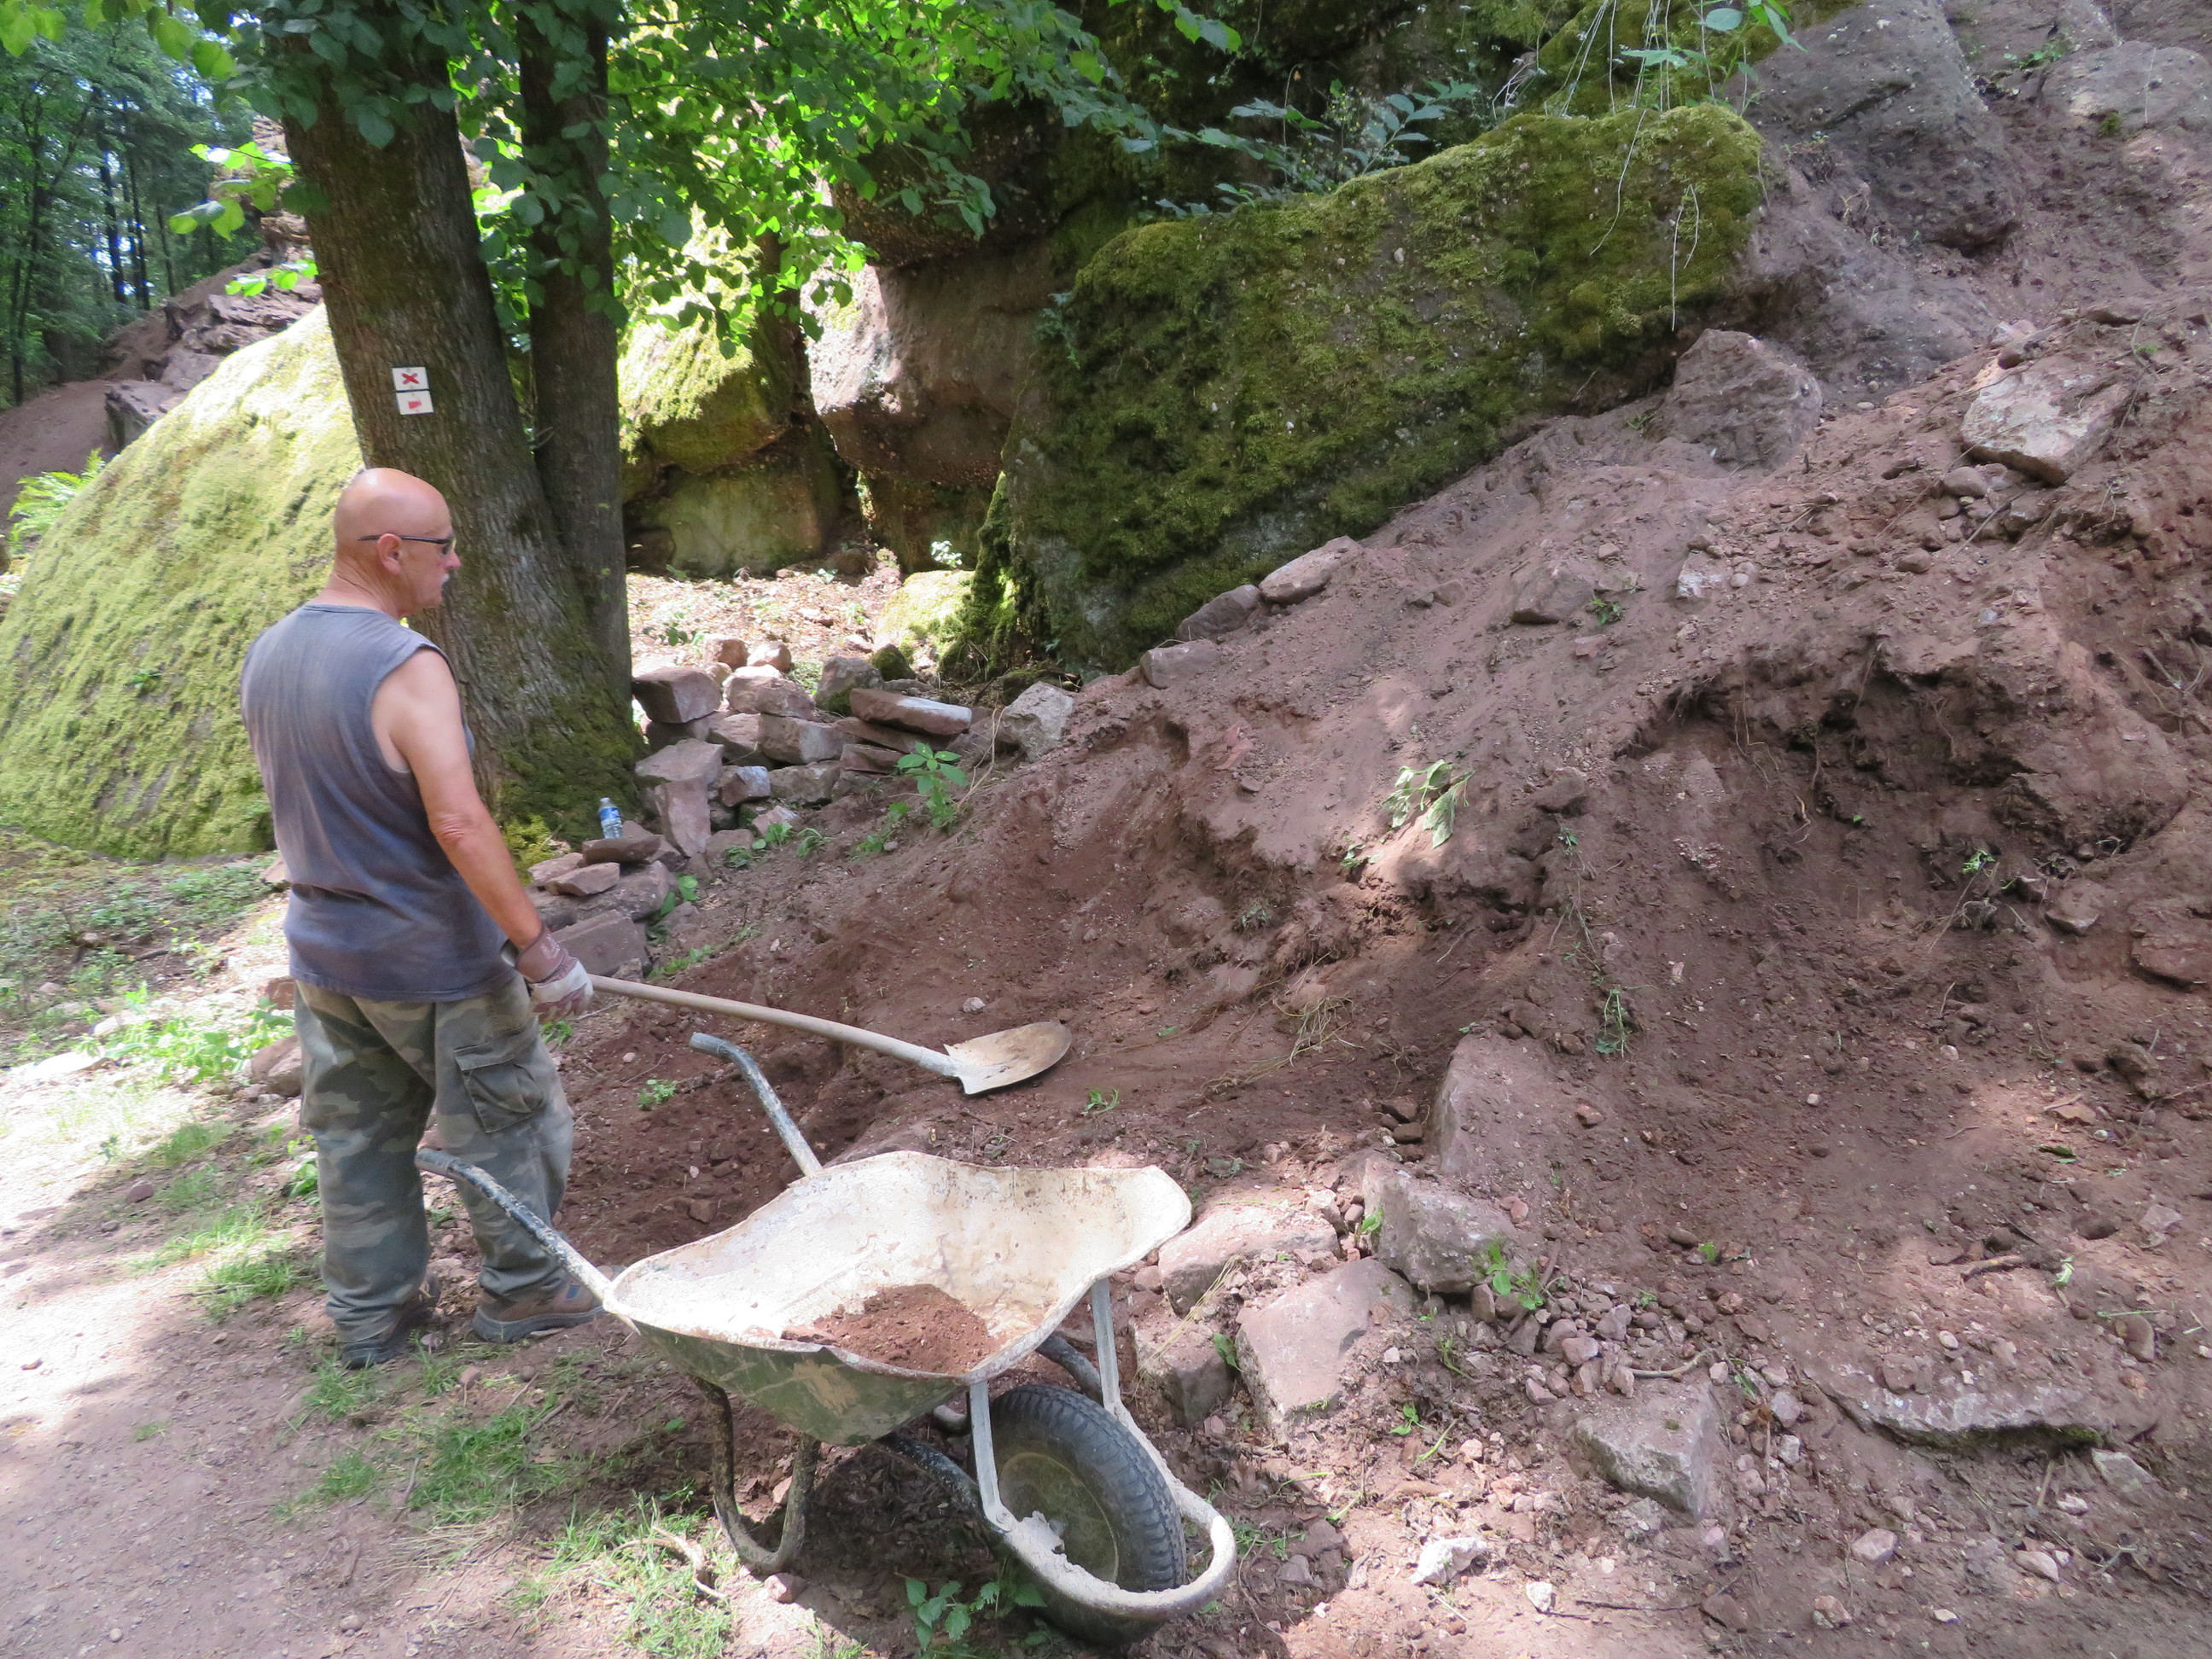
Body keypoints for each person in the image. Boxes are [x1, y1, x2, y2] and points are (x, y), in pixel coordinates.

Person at [241, 467, 600, 1368]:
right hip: (431, 959)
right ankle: (528, 1290)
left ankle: (372, 1317)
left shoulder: (272, 650)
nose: (457, 561)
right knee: (510, 1121)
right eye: (444, 546)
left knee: (357, 1140)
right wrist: (538, 947)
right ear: (392, 551)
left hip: (328, 955)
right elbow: (458, 821)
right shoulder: (406, 665)